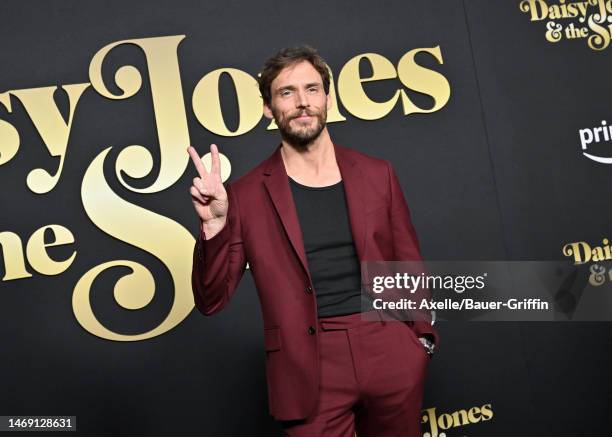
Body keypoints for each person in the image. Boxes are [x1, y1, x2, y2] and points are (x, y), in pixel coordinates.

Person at [188, 45, 439, 437]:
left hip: (387, 346)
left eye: (312, 89)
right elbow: (210, 299)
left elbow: (408, 260)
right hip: (307, 364)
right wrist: (214, 226)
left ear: (327, 96)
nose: (302, 103)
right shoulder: (245, 195)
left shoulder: (377, 173)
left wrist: (419, 339)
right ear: (268, 108)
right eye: (286, 92)